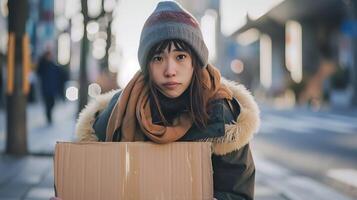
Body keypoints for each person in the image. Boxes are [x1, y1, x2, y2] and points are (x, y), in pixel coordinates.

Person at [73, 1, 260, 200]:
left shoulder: (221, 114)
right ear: (147, 65)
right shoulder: (120, 110)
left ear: (194, 62)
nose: (170, 71)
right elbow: (90, 179)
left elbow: (239, 193)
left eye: (180, 57)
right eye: (158, 58)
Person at [37, 50, 60, 125]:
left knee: (52, 103)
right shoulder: (43, 64)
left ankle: (49, 115)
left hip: (52, 88)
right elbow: (39, 72)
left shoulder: (52, 64)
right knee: (47, 103)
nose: (50, 57)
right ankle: (48, 117)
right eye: (48, 55)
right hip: (45, 88)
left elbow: (57, 75)